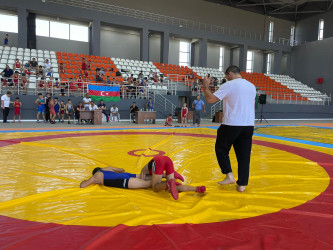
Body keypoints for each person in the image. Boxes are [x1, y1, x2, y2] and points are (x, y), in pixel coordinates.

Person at [201, 65, 256, 192]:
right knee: (244, 156)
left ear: (230, 74)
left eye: (226, 77)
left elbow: (210, 99)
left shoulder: (230, 84)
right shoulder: (251, 86)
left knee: (221, 148)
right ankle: (242, 185)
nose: (226, 79)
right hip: (248, 125)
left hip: (232, 124)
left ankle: (229, 175)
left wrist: (205, 85)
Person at [80, 156, 206, 201]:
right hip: (127, 175)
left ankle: (167, 184)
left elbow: (83, 185)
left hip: (126, 182)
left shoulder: (97, 175)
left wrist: (89, 180)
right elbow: (122, 170)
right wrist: (110, 169)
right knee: (149, 178)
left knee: (154, 187)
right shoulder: (107, 169)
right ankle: (194, 188)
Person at [140, 156, 206, 200]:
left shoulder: (143, 172)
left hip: (158, 162)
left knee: (155, 187)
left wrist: (163, 183)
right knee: (173, 187)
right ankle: (197, 188)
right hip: (168, 160)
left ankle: (168, 184)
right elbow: (154, 176)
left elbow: (144, 181)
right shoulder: (148, 170)